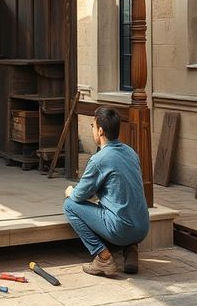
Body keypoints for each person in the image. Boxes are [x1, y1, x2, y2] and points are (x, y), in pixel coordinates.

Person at [63, 106, 149, 277]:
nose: (93, 130)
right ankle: (131, 250)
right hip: (143, 228)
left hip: (121, 229)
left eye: (93, 127)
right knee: (122, 207)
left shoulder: (99, 160)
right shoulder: (131, 152)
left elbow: (80, 195)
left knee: (69, 205)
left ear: (100, 131)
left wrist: (71, 191)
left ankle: (103, 258)